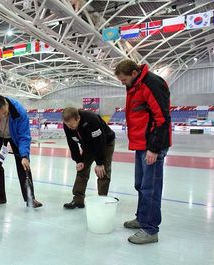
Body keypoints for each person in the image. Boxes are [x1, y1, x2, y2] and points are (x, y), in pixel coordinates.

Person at [115, 59, 171, 244]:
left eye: (123, 80)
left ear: (133, 73)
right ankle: (142, 218)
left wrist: (154, 148)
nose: (122, 83)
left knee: (151, 188)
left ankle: (150, 230)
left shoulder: (151, 83)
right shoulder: (134, 86)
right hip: (141, 145)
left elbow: (161, 117)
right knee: (141, 185)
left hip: (152, 146)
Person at [0, 95, 43, 208]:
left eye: (5, 112)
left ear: (7, 104)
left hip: (15, 137)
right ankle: (0, 197)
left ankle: (30, 198)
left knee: (23, 166)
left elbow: (24, 136)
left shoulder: (19, 111)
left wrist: (24, 156)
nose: (2, 115)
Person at [62, 107, 115, 209]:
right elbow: (72, 143)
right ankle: (78, 199)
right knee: (82, 169)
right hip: (87, 145)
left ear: (78, 118)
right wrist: (78, 160)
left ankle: (102, 200)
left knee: (102, 171)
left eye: (72, 125)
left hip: (105, 142)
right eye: (68, 125)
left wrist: (99, 163)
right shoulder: (67, 125)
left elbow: (100, 141)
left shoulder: (92, 119)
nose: (70, 128)